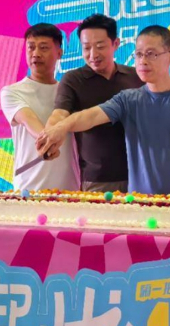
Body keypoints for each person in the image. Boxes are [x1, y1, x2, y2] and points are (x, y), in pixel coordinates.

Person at [38, 26, 170, 196]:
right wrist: (61, 127)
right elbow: (91, 116)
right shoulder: (128, 100)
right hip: (140, 203)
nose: (143, 61)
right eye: (139, 54)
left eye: (151, 54)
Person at [45, 14, 142, 193]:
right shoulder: (73, 80)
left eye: (100, 46)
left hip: (141, 176)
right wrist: (50, 136)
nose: (93, 55)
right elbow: (59, 114)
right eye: (86, 47)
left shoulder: (136, 77)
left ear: (115, 44)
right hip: (98, 179)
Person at [1, 24, 79, 192]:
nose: (36, 53)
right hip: (28, 188)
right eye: (31, 47)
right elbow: (28, 119)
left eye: (43, 48)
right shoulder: (12, 92)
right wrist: (47, 142)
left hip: (68, 188)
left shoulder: (69, 92)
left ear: (59, 53)